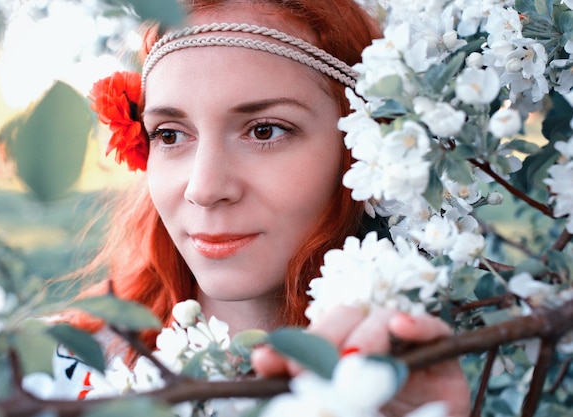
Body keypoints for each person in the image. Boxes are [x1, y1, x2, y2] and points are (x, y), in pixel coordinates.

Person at [67, 0, 471, 415]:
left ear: (362, 145)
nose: (204, 189)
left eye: (264, 131)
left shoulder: (456, 365)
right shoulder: (50, 376)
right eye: (170, 135)